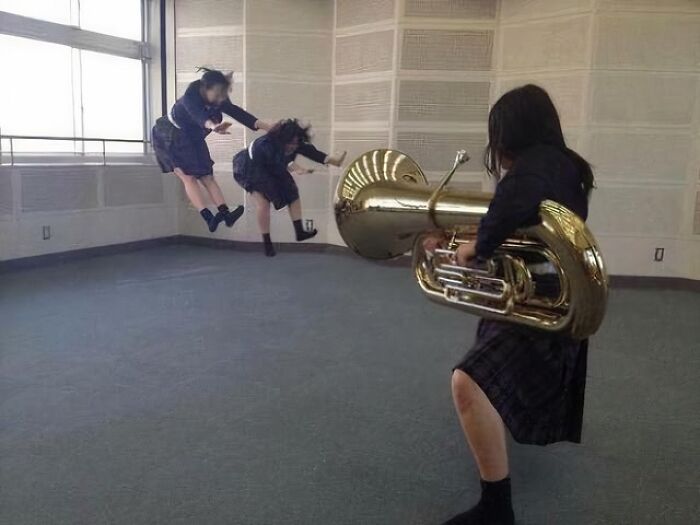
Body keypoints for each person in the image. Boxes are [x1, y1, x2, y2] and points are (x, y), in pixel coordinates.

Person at [423, 85, 596, 525]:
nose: (495, 148)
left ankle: (496, 508)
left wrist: (473, 246)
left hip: (540, 305)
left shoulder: (533, 171)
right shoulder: (566, 167)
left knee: (467, 383)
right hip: (545, 297)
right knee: (489, 370)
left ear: (511, 132)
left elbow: (512, 206)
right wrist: (465, 238)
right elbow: (524, 223)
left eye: (497, 134)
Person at [152, 67, 274, 233]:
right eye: (217, 95)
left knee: (207, 175)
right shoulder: (190, 96)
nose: (220, 99)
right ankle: (208, 217)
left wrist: (269, 128)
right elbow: (199, 116)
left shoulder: (218, 97)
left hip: (192, 135)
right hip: (170, 135)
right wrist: (214, 126)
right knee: (188, 177)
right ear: (205, 88)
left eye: (223, 95)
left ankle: (225, 213)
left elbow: (238, 113)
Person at [232, 119, 346, 257]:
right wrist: (296, 168)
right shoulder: (265, 145)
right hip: (250, 167)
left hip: (273, 168)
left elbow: (312, 153)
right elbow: (282, 161)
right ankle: (267, 243)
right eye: (290, 143)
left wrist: (335, 161)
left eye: (295, 143)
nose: (293, 147)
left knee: (292, 192)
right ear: (282, 139)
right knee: (263, 203)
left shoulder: (296, 143)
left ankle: (299, 232)